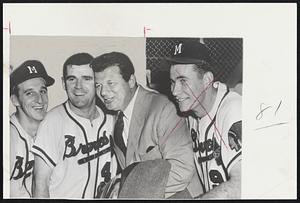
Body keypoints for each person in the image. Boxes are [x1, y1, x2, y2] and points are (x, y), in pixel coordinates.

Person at [90, 52, 201, 198]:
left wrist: (126, 188)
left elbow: (182, 170)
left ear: (131, 81)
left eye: (111, 83)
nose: (103, 92)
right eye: (98, 85)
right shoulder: (117, 117)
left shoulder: (163, 108)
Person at [31, 53, 117, 198]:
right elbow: (40, 183)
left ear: (97, 82)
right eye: (72, 79)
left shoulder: (112, 118)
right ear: (64, 83)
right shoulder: (53, 122)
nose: (78, 86)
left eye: (86, 79)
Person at [167, 41, 242, 199]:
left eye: (183, 81)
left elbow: (241, 186)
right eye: (172, 82)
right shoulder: (192, 113)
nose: (174, 90)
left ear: (207, 80)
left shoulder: (233, 109)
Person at [10, 60, 55, 198]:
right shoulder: (8, 138)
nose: (40, 100)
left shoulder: (54, 128)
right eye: (30, 93)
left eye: (42, 91)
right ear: (15, 100)